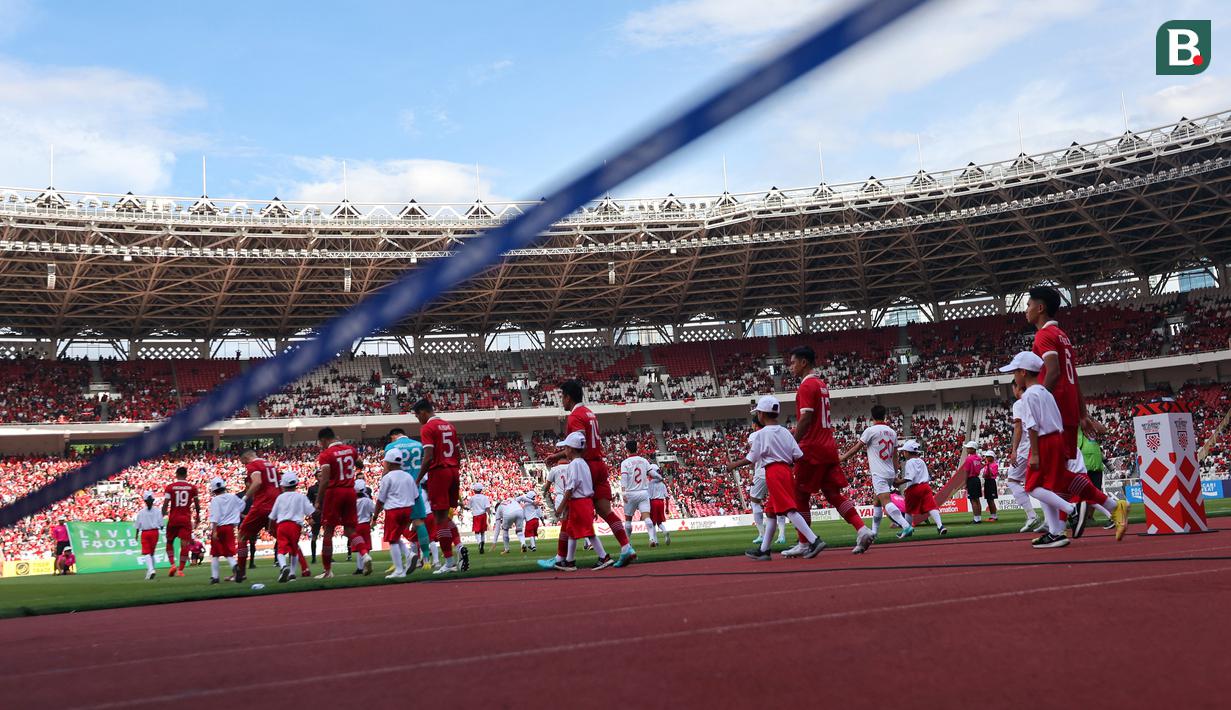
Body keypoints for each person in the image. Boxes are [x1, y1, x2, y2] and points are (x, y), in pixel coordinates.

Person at [998, 352, 1128, 547]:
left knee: (1032, 487)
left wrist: (1034, 453)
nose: (1014, 376)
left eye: (1015, 372)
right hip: (1057, 438)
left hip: (1044, 441)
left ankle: (1071, 511)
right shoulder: (1045, 392)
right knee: (1059, 483)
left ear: (1023, 372)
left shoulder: (1029, 396)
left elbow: (1031, 425)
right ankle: (1060, 530)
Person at [1025, 285, 1112, 533]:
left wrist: (1039, 398)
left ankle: (1097, 507)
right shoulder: (1063, 335)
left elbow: (1052, 372)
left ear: (1040, 308)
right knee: (1057, 473)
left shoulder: (1043, 336)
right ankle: (1059, 528)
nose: (1026, 310)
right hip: (1069, 408)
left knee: (1047, 477)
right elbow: (1073, 378)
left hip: (1057, 411)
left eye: (1029, 305)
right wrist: (1082, 414)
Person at [787, 346, 874, 554]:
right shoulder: (822, 384)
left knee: (799, 495)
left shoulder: (806, 386)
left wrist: (792, 443)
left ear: (804, 363)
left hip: (812, 448)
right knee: (833, 493)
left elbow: (807, 418)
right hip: (828, 446)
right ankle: (862, 529)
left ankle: (804, 542)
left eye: (792, 363)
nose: (790, 367)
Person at [544, 380, 636, 567]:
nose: (562, 401)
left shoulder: (575, 416)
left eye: (562, 397)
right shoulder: (589, 413)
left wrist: (557, 455)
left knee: (569, 512)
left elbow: (579, 442)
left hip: (586, 466)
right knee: (606, 511)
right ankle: (626, 547)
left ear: (568, 397)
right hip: (599, 464)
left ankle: (562, 558)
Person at [725, 395, 827, 561]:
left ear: (762, 414)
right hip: (786, 470)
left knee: (788, 509)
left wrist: (733, 465)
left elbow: (752, 458)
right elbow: (798, 455)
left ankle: (814, 540)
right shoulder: (786, 432)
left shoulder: (761, 434)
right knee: (771, 513)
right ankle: (764, 550)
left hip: (773, 471)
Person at [840, 404, 912, 538]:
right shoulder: (892, 432)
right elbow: (895, 456)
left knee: (886, 502)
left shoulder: (870, 431)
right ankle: (874, 532)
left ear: (872, 416)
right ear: (884, 415)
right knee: (876, 501)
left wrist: (844, 457)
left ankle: (906, 525)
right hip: (890, 471)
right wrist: (895, 474)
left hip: (879, 473)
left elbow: (857, 448)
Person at [312, 427, 373, 578]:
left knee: (328, 531)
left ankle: (327, 571)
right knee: (350, 530)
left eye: (321, 443)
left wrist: (318, 501)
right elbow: (360, 465)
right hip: (350, 492)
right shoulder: (350, 449)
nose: (321, 446)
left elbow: (325, 480)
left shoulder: (326, 454)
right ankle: (365, 555)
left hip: (335, 492)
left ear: (324, 440)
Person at [412, 401, 464, 574]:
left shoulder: (427, 428)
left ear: (423, 412)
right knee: (447, 517)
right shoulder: (450, 426)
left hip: (439, 473)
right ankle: (459, 547)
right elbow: (458, 453)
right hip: (453, 471)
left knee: (439, 518)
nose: (417, 418)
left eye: (417, 415)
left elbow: (428, 457)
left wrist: (417, 479)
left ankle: (449, 561)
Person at [553, 431, 613, 571]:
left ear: (572, 449)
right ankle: (570, 561)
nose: (565, 451)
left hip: (579, 501)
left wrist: (561, 507)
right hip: (583, 501)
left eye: (566, 448)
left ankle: (604, 557)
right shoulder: (583, 463)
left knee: (587, 532)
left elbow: (571, 487)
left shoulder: (574, 464)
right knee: (573, 532)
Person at [384, 428, 434, 570]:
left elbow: (386, 469)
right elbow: (427, 463)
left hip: (397, 491)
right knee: (419, 523)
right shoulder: (418, 445)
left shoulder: (391, 447)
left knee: (396, 527)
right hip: (415, 487)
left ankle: (398, 562)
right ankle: (426, 560)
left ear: (393, 436)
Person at [371, 448, 422, 579]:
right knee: (396, 536)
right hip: (408, 510)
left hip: (394, 510)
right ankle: (409, 555)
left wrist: (375, 517)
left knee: (392, 540)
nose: (384, 464)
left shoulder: (387, 478)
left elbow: (380, 500)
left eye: (386, 462)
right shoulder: (408, 476)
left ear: (390, 462)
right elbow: (416, 497)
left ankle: (399, 570)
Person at [1007, 380, 1047, 533]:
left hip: (1026, 449)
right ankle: (1054, 518)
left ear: (1017, 388)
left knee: (1013, 481)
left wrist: (1014, 450)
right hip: (1042, 444)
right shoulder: (1037, 398)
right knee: (1042, 483)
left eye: (1013, 388)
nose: (1013, 391)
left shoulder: (1019, 403)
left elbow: (1018, 428)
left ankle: (1032, 515)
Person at [235, 450, 280, 583]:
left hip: (262, 504)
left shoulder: (253, 465)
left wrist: (245, 497)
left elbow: (257, 482)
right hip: (276, 504)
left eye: (243, 462)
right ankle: (302, 568)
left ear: (246, 457)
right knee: (284, 537)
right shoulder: (270, 464)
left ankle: (241, 573)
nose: (244, 465)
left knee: (242, 535)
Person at [269, 472, 316, 583]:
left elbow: (272, 516)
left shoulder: (280, 498)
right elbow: (310, 511)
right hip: (295, 526)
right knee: (294, 550)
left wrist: (270, 527)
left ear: (283, 485)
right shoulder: (300, 497)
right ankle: (292, 573)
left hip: (282, 525)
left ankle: (284, 566)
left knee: (281, 550)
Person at [894, 441, 947, 535]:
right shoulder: (921, 461)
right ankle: (940, 526)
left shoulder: (909, 462)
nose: (903, 453)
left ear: (907, 452)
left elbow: (909, 477)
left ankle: (907, 530)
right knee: (932, 507)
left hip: (914, 488)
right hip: (925, 487)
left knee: (909, 510)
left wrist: (898, 482)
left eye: (904, 452)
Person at [161, 466, 199, 577]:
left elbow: (165, 504)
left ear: (176, 474)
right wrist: (198, 517)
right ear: (186, 475)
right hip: (185, 519)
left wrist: (162, 516)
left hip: (173, 518)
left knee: (169, 542)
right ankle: (180, 570)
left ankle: (172, 564)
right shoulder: (192, 488)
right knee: (184, 545)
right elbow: (197, 504)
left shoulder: (170, 487)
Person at [619, 440, 657, 546]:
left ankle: (627, 542)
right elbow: (651, 473)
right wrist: (659, 477)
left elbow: (624, 478)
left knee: (628, 519)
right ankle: (652, 539)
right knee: (647, 517)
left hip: (630, 493)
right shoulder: (643, 460)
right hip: (643, 492)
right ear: (637, 448)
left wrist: (623, 493)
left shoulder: (625, 463)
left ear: (626, 450)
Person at [206, 478, 245, 583]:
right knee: (228, 552)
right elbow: (242, 505)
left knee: (215, 553)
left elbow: (215, 516)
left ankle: (215, 577)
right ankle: (235, 566)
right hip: (230, 527)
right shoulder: (232, 497)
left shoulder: (215, 500)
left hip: (219, 527)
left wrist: (214, 531)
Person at [1077, 429, 1113, 528]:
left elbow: (1103, 430)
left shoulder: (1092, 431)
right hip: (1083, 468)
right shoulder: (1078, 431)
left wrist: (1089, 420)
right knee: (1083, 495)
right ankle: (1081, 517)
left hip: (1095, 467)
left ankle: (1088, 517)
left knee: (1094, 494)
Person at [133, 492, 163, 580]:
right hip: (155, 532)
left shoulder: (141, 512)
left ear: (145, 501)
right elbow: (161, 524)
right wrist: (160, 526)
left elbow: (137, 525)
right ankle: (150, 572)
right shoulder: (157, 511)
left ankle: (151, 570)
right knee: (152, 553)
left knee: (146, 552)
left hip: (145, 533)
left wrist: (136, 535)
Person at [956, 442, 985, 524]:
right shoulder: (978, 458)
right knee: (977, 500)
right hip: (977, 479)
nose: (967, 449)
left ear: (973, 449)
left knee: (973, 500)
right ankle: (978, 518)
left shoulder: (969, 459)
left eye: (968, 448)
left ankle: (976, 519)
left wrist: (965, 483)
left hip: (971, 480)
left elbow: (966, 471)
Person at [646, 464, 673, 545]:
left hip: (653, 502)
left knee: (653, 523)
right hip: (661, 502)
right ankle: (665, 532)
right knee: (659, 522)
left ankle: (655, 541)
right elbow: (667, 497)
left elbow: (648, 496)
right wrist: (667, 508)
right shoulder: (662, 484)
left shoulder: (650, 483)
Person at [468, 483, 492, 553]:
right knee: (482, 531)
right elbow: (487, 508)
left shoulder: (472, 498)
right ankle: (482, 543)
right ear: (481, 490)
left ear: (474, 490)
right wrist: (489, 517)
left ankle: (479, 543)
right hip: (483, 515)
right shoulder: (485, 497)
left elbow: (468, 507)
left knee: (477, 531)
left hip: (476, 515)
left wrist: (462, 505)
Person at [356, 480, 375, 563]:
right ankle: (365, 562)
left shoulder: (353, 501)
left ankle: (360, 567)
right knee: (366, 545)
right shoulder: (367, 500)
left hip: (356, 525)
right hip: (366, 524)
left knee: (359, 546)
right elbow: (375, 509)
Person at [980, 450, 1000, 522]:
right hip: (987, 482)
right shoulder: (986, 465)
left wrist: (987, 467)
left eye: (988, 456)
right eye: (986, 456)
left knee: (991, 500)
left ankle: (994, 516)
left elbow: (991, 474)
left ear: (992, 457)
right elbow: (984, 475)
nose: (986, 458)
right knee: (988, 500)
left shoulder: (994, 465)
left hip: (991, 482)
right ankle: (992, 516)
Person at [306, 480, 322, 564]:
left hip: (326, 514)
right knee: (314, 536)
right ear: (316, 477)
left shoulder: (327, 486)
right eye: (319, 475)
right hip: (316, 515)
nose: (321, 477)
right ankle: (313, 557)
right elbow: (307, 503)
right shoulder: (312, 489)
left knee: (328, 535)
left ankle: (329, 556)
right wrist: (310, 517)